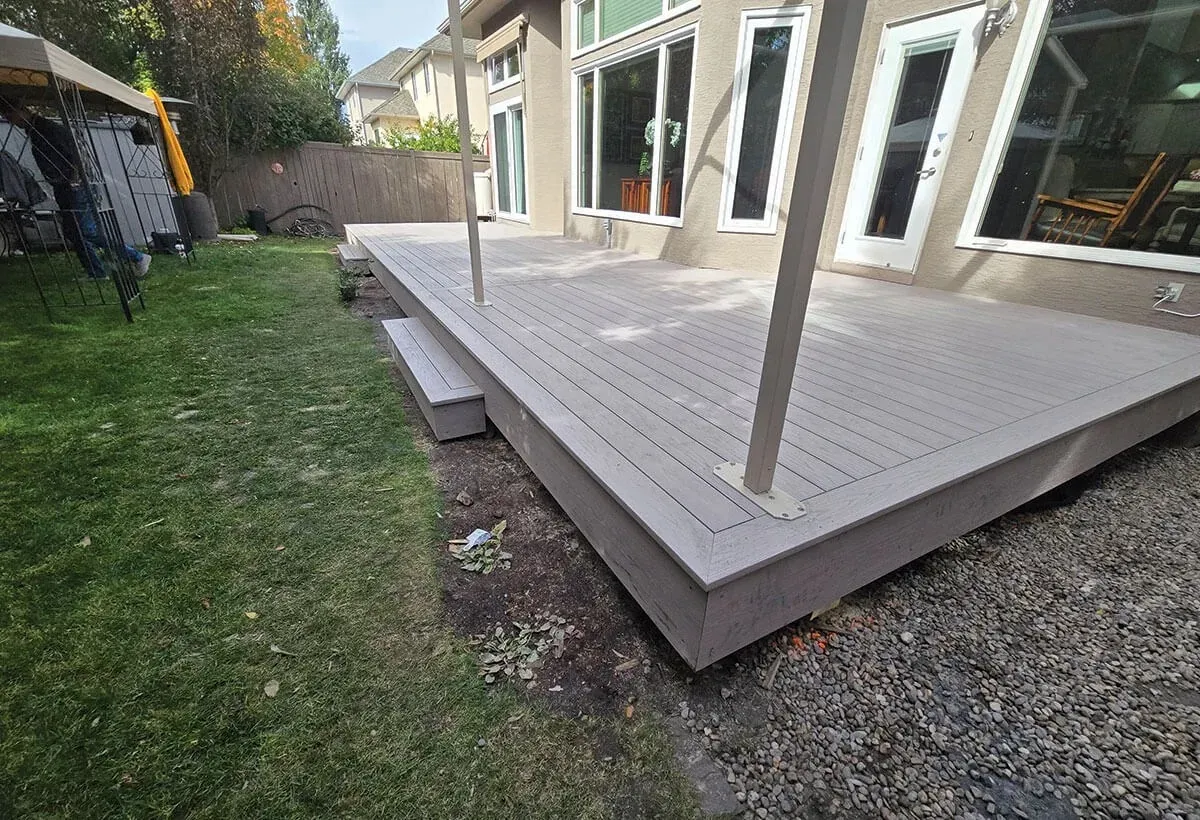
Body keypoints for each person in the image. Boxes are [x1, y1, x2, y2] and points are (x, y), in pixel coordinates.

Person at [0, 97, 150, 280]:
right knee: (74, 232)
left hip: (75, 186)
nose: (10, 121)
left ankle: (136, 256)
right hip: (64, 186)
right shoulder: (37, 130)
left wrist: (74, 180)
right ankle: (96, 272)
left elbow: (76, 155)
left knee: (87, 231)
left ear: (22, 110)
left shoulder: (47, 129)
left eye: (10, 116)